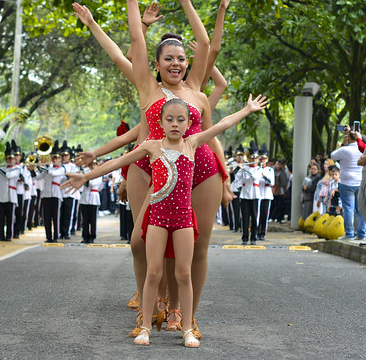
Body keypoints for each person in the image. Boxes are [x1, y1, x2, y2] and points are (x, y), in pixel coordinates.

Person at [73, 0, 231, 339]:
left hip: (198, 166)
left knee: (196, 245)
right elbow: (129, 47)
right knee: (140, 240)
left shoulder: (196, 92)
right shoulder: (147, 86)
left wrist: (186, 1)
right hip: (153, 164)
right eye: (168, 59)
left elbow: (208, 44)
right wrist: (131, 3)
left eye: (181, 59)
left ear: (187, 63)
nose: (175, 64)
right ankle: (153, 304)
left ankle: (183, 315)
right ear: (157, 63)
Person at [62, 94, 267, 347]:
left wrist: (247, 109)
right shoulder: (151, 146)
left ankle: (188, 328)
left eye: (180, 119)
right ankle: (147, 326)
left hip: (183, 220)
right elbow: (117, 162)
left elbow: (222, 124)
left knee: (183, 274)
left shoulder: (192, 143)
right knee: (154, 273)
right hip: (157, 218)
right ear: (160, 122)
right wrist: (85, 177)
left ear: (188, 122)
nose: (174, 124)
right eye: (169, 119)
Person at [330, 128, 366, 240]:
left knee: (348, 209)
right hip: (360, 182)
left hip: (346, 182)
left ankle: (349, 234)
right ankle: (361, 234)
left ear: (348, 138)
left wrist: (343, 144)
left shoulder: (344, 150)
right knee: (360, 210)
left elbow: (332, 156)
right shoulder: (363, 149)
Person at [0, 143, 20, 241]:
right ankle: (0, 236)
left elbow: (8, 175)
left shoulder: (17, 169)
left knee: (10, 218)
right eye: (8, 159)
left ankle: (9, 236)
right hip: (1, 197)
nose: (9, 160)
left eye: (11, 159)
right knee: (0, 218)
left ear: (14, 160)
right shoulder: (1, 169)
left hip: (11, 197)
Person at [235, 143, 262, 245]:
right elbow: (237, 178)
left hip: (255, 195)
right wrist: (239, 168)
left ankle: (254, 237)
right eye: (252, 158)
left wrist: (243, 169)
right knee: (245, 218)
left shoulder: (259, 169)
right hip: (245, 195)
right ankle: (245, 237)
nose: (254, 159)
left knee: (255, 218)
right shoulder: (244, 168)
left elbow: (253, 177)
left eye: (255, 158)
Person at [38, 142, 65, 243]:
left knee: (56, 217)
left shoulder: (61, 168)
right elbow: (38, 177)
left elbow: (53, 173)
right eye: (53, 158)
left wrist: (43, 168)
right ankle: (48, 237)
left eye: (56, 158)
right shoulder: (47, 168)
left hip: (56, 195)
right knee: (47, 218)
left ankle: (56, 236)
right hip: (46, 195)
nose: (54, 160)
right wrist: (35, 169)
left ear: (59, 159)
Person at [79, 160, 103, 244]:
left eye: (94, 164)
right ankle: (85, 236)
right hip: (85, 197)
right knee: (85, 219)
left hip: (94, 197)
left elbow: (94, 184)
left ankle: (92, 236)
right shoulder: (86, 173)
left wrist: (85, 177)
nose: (93, 166)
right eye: (91, 165)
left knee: (93, 220)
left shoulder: (99, 174)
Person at [257, 146, 275, 241]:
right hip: (258, 194)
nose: (262, 160)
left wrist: (264, 176)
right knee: (257, 215)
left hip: (267, 194)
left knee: (264, 215)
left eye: (264, 158)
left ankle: (263, 233)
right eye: (261, 158)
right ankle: (256, 232)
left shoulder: (270, 170)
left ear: (267, 159)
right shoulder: (257, 169)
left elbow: (272, 182)